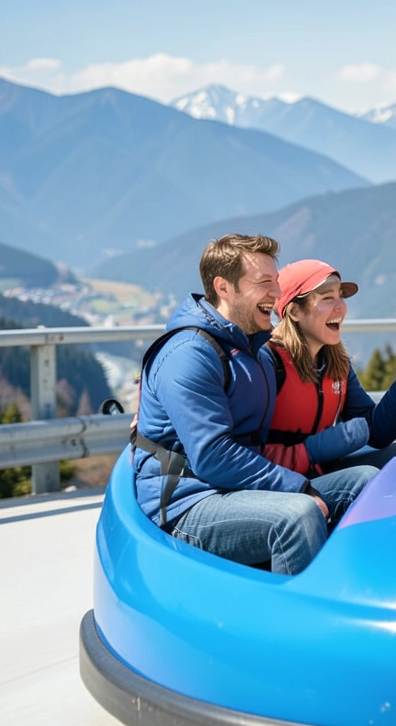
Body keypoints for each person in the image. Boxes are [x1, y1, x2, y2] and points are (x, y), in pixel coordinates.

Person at [131, 235, 332, 576]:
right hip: (186, 502)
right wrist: (297, 485)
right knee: (296, 515)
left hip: (234, 490)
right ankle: (288, 627)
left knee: (365, 483)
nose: (276, 293)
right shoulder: (188, 354)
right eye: (263, 283)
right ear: (224, 287)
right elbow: (213, 455)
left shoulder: (258, 354)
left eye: (277, 282)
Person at [261, 259, 396, 524]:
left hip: (325, 471)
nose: (340, 307)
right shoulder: (268, 362)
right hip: (283, 484)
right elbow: (247, 450)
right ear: (294, 312)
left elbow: (376, 432)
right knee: (366, 479)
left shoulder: (337, 363)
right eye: (327, 298)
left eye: (340, 297)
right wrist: (320, 448)